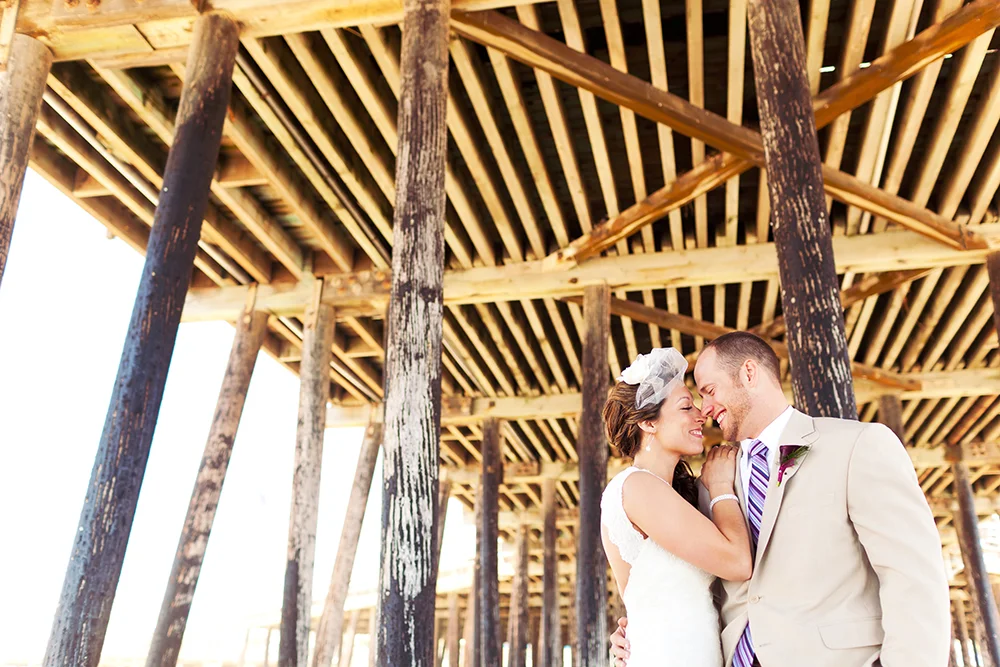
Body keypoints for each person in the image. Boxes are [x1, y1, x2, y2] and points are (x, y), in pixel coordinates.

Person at [609, 332, 950, 667]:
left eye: (709, 392)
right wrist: (638, 633)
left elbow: (912, 575)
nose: (706, 410)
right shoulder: (711, 483)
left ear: (749, 373)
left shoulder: (856, 446)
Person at [600, 347, 751, 667]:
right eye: (686, 406)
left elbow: (641, 602)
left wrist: (626, 638)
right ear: (648, 424)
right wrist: (722, 487)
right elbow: (738, 563)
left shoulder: (671, 494)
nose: (701, 414)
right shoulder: (638, 487)